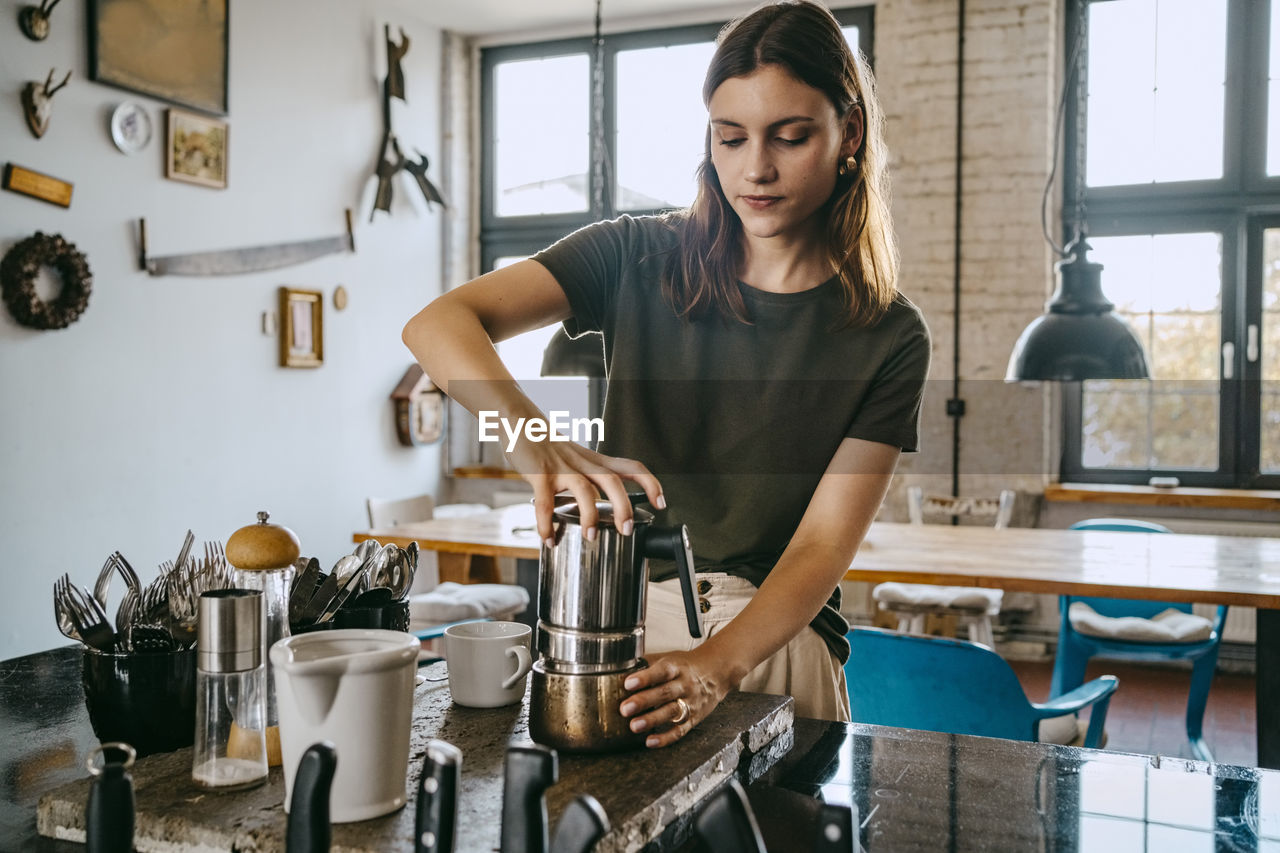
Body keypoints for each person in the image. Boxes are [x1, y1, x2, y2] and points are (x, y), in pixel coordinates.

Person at [402, 0, 930, 747]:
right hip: (624, 629)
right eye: (731, 137)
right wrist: (533, 440)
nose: (757, 168)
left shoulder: (890, 334)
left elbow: (820, 547)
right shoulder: (632, 254)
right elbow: (436, 325)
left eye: (790, 136)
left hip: (774, 650)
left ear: (848, 134)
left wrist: (717, 664)